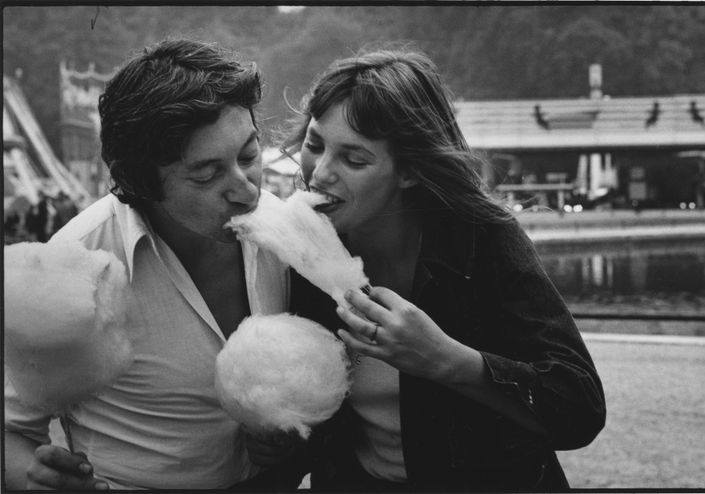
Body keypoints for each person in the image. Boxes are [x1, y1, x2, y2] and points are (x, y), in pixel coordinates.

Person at [284, 49, 606, 491]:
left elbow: (579, 407)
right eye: (315, 144)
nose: (319, 173)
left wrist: (444, 359)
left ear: (411, 170)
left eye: (353, 160)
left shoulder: (480, 240)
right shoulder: (300, 253)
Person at [4, 39, 293, 490]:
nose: (247, 190)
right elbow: (11, 430)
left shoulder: (288, 233)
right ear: (141, 181)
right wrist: (35, 479)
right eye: (207, 174)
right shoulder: (77, 261)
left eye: (249, 156)